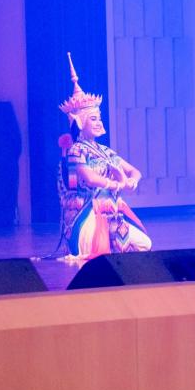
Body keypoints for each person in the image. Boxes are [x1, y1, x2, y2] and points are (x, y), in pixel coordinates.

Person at [57, 53, 151, 260]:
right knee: (96, 251)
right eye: (93, 119)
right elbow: (90, 179)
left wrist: (131, 181)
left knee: (144, 244)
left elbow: (134, 171)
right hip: (88, 211)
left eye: (99, 118)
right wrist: (116, 184)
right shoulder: (75, 150)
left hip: (112, 211)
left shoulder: (105, 151)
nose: (99, 122)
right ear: (79, 122)